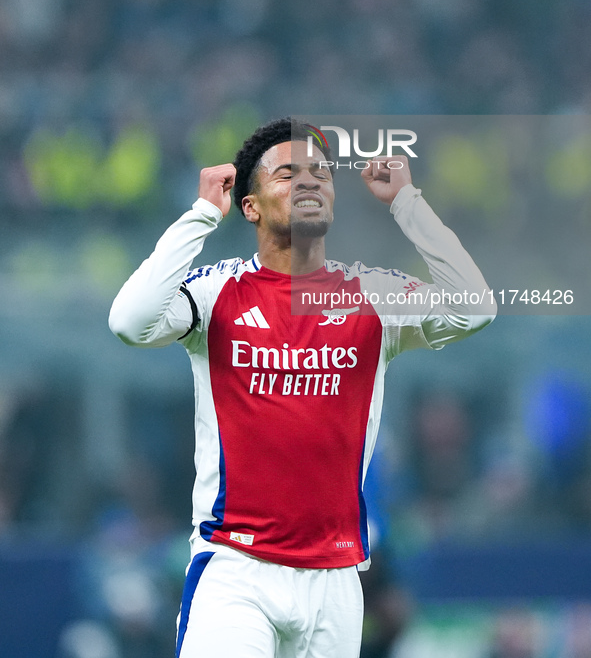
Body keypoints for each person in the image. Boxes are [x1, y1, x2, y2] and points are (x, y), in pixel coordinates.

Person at [108, 117, 496, 658]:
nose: (310, 182)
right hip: (235, 569)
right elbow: (130, 322)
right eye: (288, 173)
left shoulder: (372, 295)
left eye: (321, 174)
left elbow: (475, 307)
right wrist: (198, 216)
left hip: (337, 579)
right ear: (250, 206)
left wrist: (408, 203)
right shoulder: (217, 291)